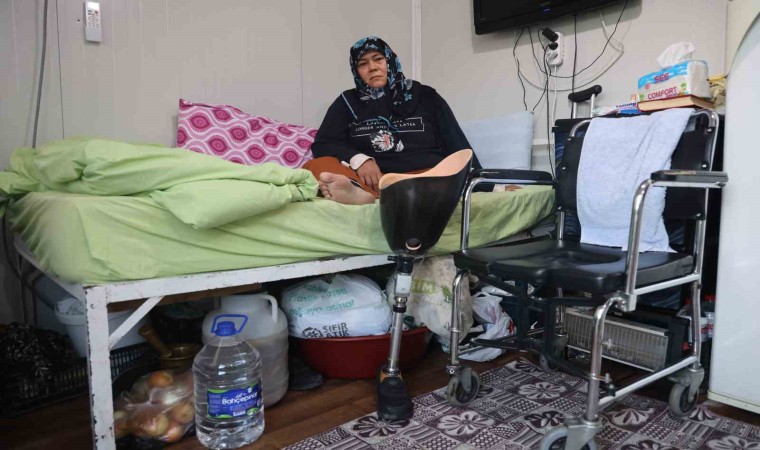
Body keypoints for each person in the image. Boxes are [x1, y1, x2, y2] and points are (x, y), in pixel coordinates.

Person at [304, 36, 486, 205]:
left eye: (378, 59)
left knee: (451, 168)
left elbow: (456, 142)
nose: (372, 67)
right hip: (376, 181)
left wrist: (485, 184)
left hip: (426, 175)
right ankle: (360, 193)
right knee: (316, 165)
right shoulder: (347, 102)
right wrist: (359, 160)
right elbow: (324, 143)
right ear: (356, 71)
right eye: (363, 64)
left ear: (390, 60)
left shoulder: (425, 95)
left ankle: (386, 195)